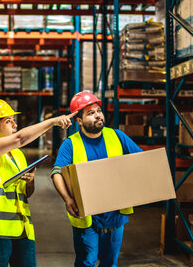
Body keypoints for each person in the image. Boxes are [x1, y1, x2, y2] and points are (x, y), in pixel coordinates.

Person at [0, 99, 76, 267]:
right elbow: (20, 138)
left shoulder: (18, 156)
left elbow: (26, 194)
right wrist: (53, 121)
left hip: (21, 227)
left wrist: (30, 183)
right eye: (8, 121)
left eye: (13, 120)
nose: (14, 125)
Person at [51, 91, 143, 267]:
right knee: (88, 262)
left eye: (98, 111)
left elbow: (140, 161)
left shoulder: (117, 136)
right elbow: (57, 173)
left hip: (115, 215)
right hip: (86, 216)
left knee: (110, 262)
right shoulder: (70, 144)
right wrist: (68, 199)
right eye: (90, 113)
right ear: (79, 121)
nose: (98, 116)